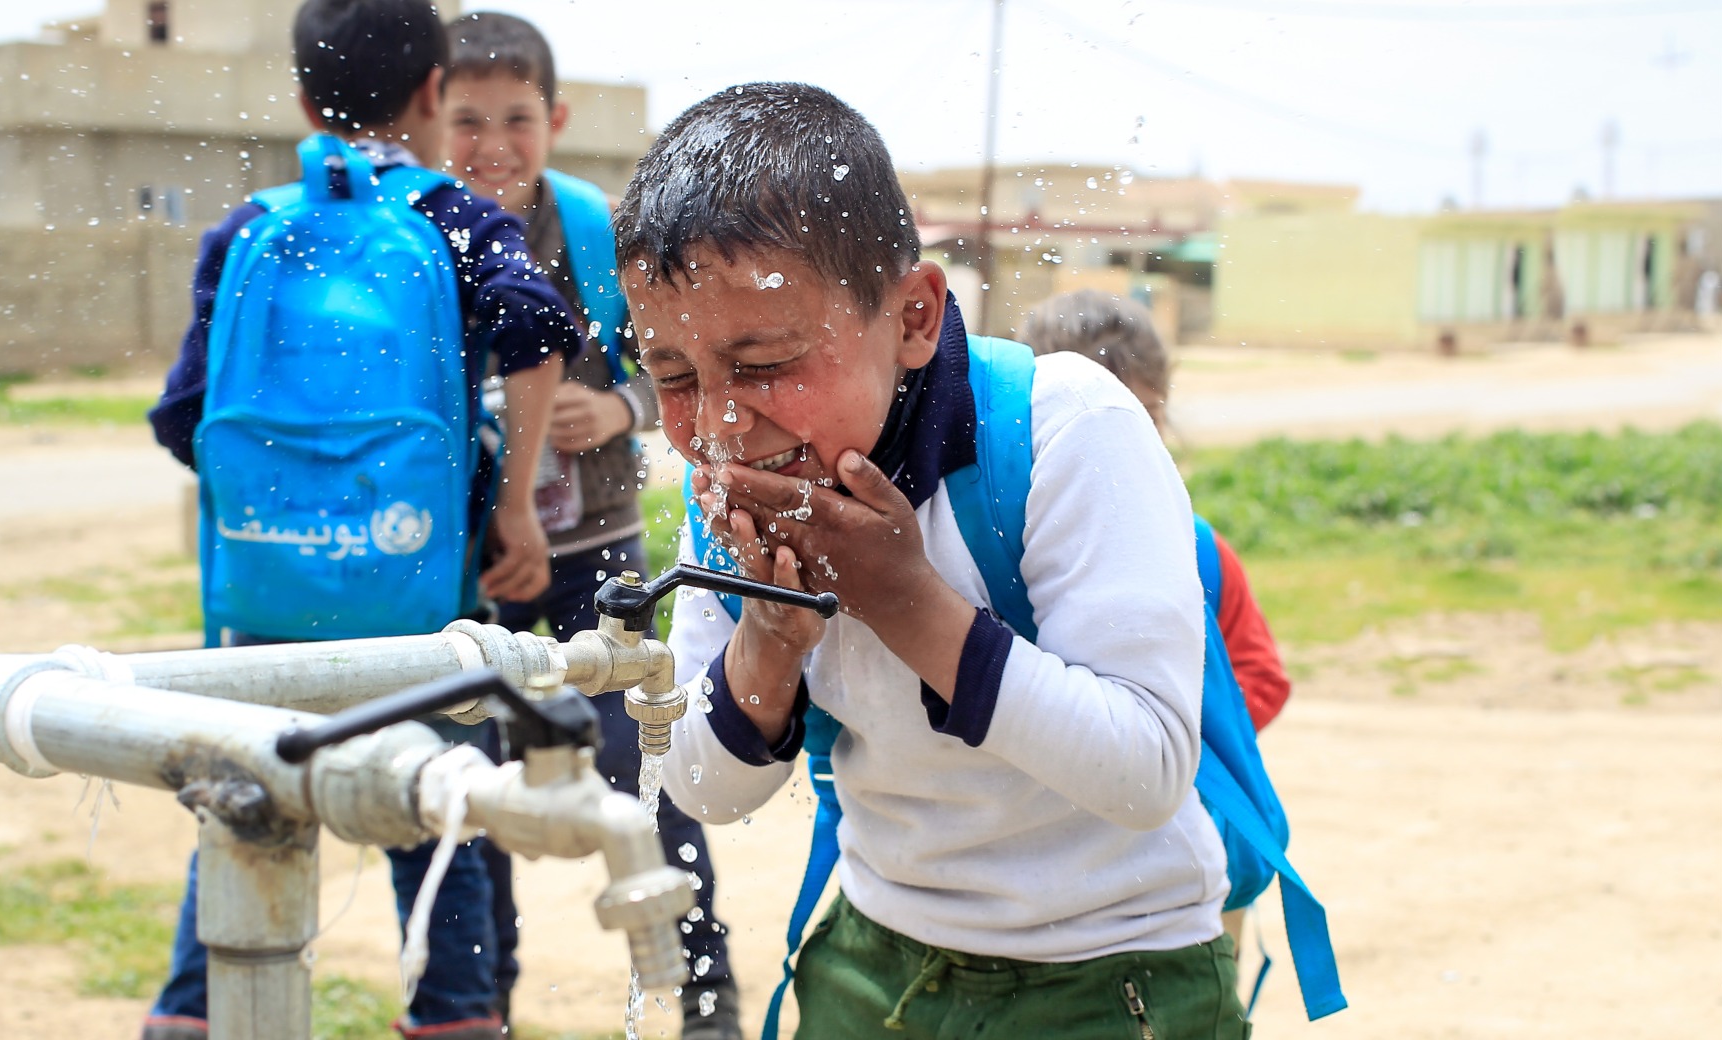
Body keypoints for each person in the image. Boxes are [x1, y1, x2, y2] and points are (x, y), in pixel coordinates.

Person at [633, 83, 1248, 1039]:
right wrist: (768, 645)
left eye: (762, 363)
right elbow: (702, 789)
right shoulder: (728, 490)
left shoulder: (1063, 431)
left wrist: (904, 600)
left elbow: (1148, 772)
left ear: (916, 316)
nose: (716, 422)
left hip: (1118, 970)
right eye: (671, 375)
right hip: (876, 956)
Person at [141, 2, 580, 1037]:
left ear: (303, 100)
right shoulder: (455, 221)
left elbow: (183, 419)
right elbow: (539, 333)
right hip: (416, 606)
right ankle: (456, 1013)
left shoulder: (248, 226)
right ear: (435, 91)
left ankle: (189, 1015)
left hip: (266, 601)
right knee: (439, 813)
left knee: (243, 809)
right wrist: (510, 505)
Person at [438, 12, 743, 1039]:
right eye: (467, 118)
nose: (492, 143)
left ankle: (704, 992)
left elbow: (682, 367)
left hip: (594, 564)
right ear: (432, 116)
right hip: (470, 580)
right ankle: (482, 1005)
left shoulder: (595, 234)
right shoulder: (420, 237)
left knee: (647, 771)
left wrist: (622, 409)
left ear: (555, 118)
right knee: (467, 797)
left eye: (515, 118)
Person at [1019, 288, 1291, 731]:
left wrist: (1162, 739)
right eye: (1087, 422)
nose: (1123, 442)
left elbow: (1261, 676)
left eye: (1144, 415)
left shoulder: (1198, 550)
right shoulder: (994, 546)